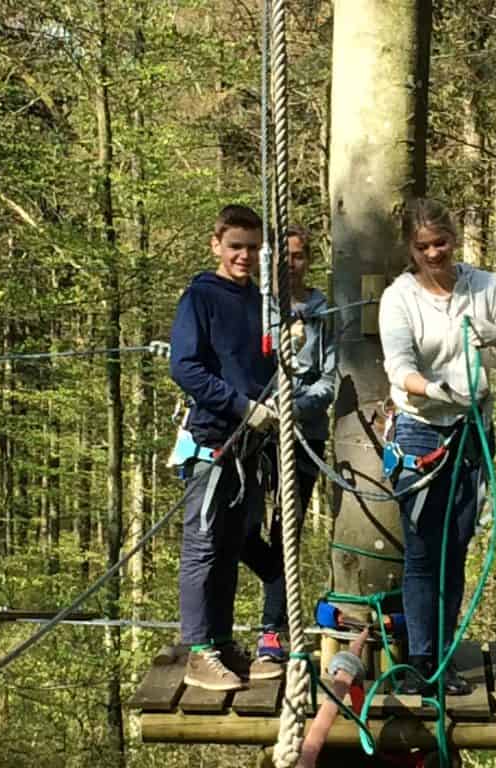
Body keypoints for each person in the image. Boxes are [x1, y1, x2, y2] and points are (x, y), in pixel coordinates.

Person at [378, 198, 496, 696]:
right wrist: (436, 390)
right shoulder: (398, 298)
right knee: (423, 549)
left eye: (440, 243)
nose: (433, 254)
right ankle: (422, 663)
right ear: (410, 249)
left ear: (454, 238)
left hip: (471, 433)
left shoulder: (485, 287)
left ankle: (443, 657)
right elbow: (399, 366)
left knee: (456, 550)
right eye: (422, 247)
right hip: (421, 430)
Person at [169, 204, 281, 691]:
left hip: (250, 446)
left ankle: (219, 640)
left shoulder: (257, 301)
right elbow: (186, 367)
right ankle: (197, 649)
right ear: (216, 244)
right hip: (214, 440)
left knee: (231, 544)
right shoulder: (200, 297)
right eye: (236, 247)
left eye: (253, 249)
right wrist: (240, 406)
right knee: (203, 545)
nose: (244, 256)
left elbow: (258, 366)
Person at [252, 225, 337, 670]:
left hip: (304, 433)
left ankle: (273, 629)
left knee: (287, 528)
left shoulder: (323, 312)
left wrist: (294, 406)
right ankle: (271, 586)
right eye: (283, 258)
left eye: (300, 256)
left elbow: (328, 379)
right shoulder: (256, 307)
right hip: (255, 429)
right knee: (240, 526)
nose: (292, 265)